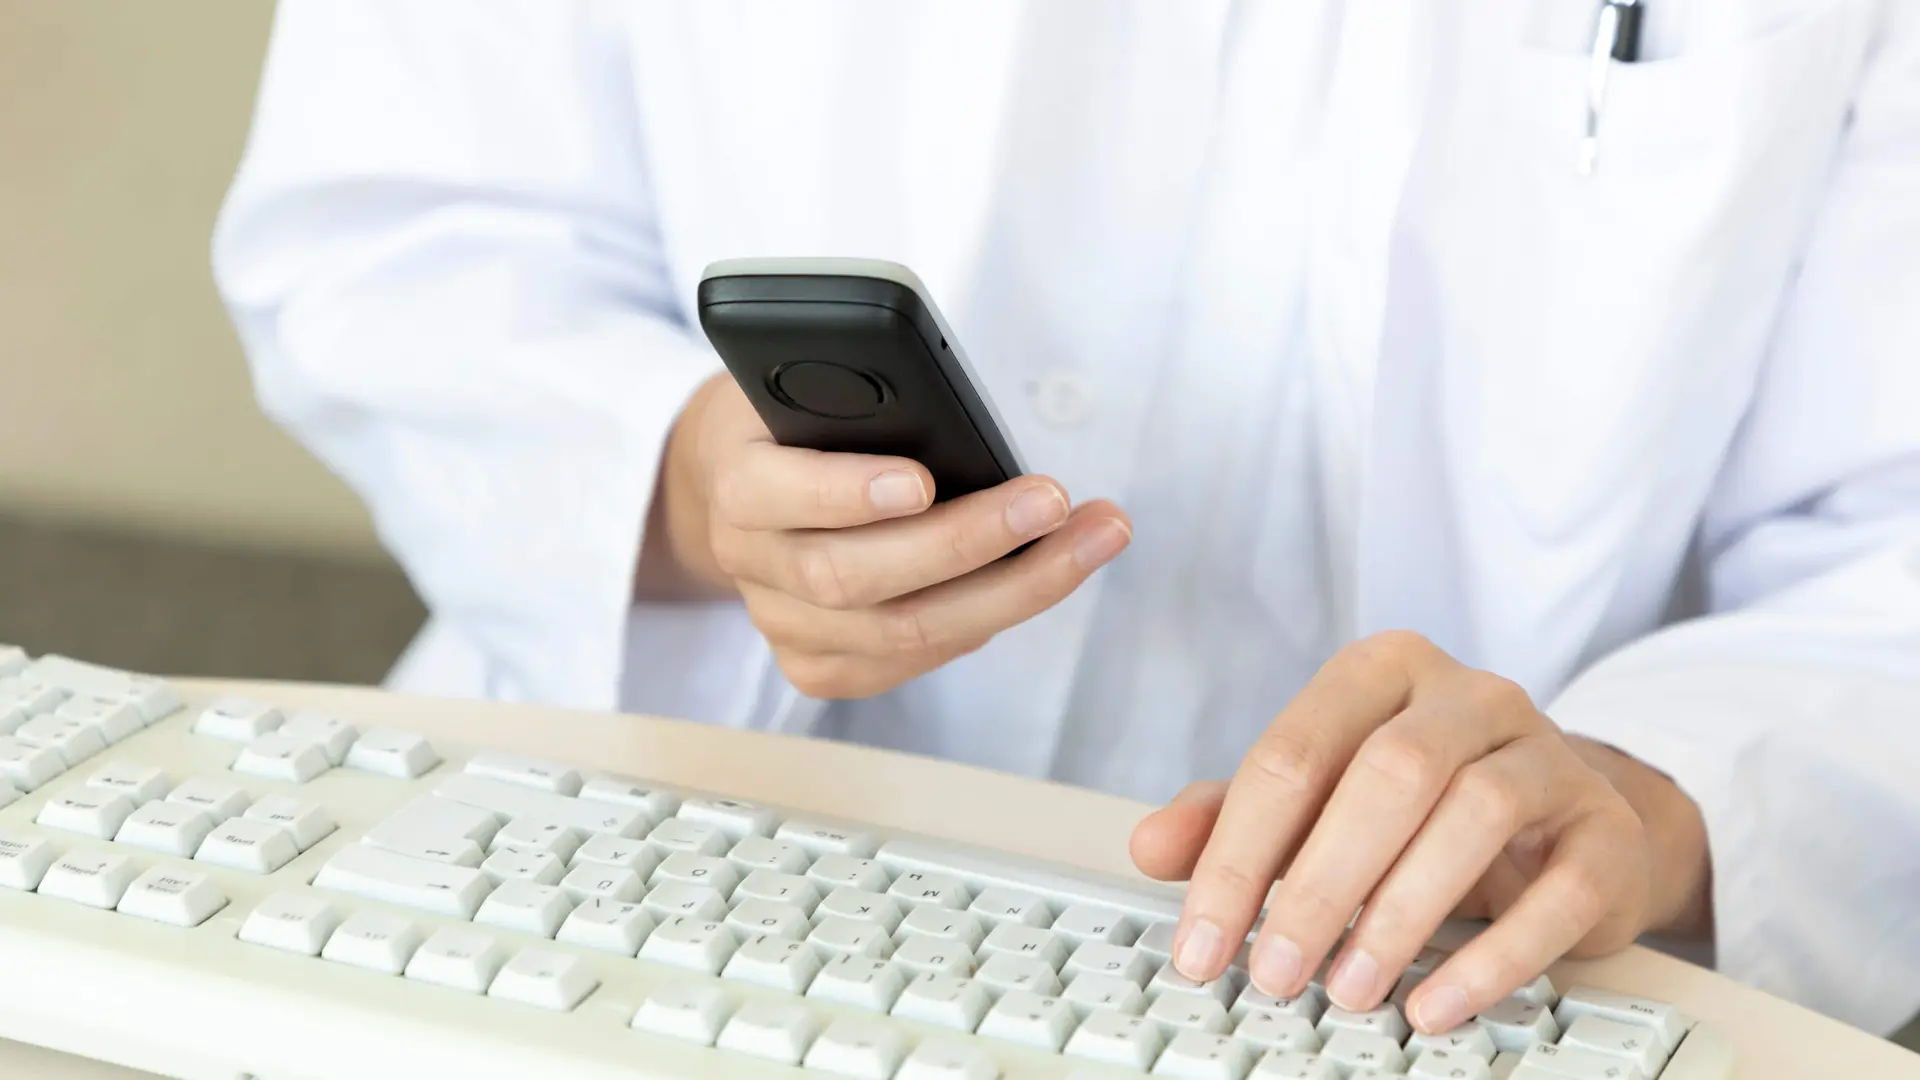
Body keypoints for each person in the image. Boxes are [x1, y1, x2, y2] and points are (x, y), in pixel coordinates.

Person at [213, 0, 1920, 1038]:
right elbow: (392, 231)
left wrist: (1649, 794)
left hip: (1433, 989)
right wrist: (682, 485)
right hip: (653, 895)